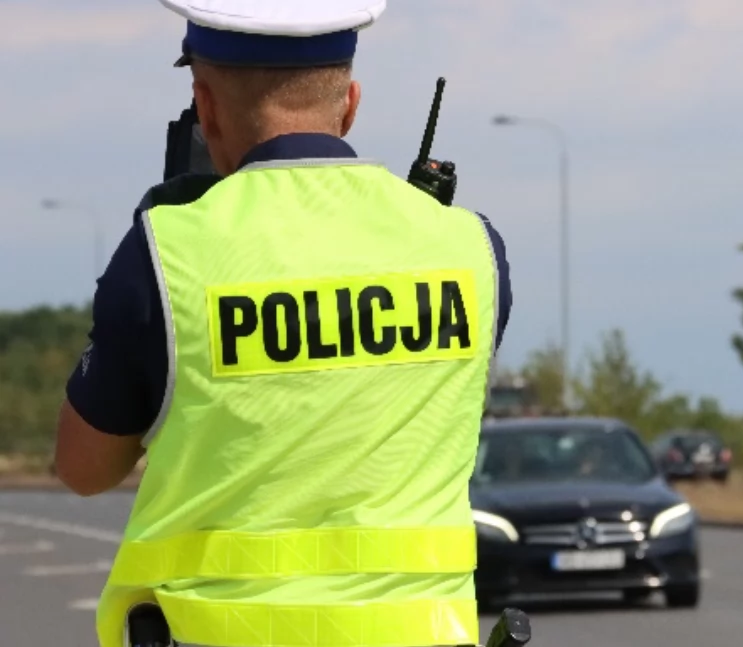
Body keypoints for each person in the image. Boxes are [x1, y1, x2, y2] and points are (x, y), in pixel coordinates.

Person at [52, 1, 512, 646]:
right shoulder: (471, 249)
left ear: (204, 106)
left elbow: (83, 468)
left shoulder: (167, 251)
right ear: (349, 103)